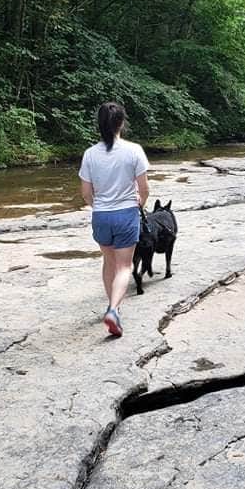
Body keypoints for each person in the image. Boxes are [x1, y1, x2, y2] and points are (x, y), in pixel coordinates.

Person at [79, 101, 149, 338]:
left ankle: (113, 307)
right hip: (125, 214)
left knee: (108, 262)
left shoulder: (89, 154)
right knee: (124, 266)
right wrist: (139, 203)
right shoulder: (134, 150)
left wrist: (97, 206)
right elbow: (144, 188)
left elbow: (86, 193)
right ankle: (113, 310)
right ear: (121, 123)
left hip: (101, 216)